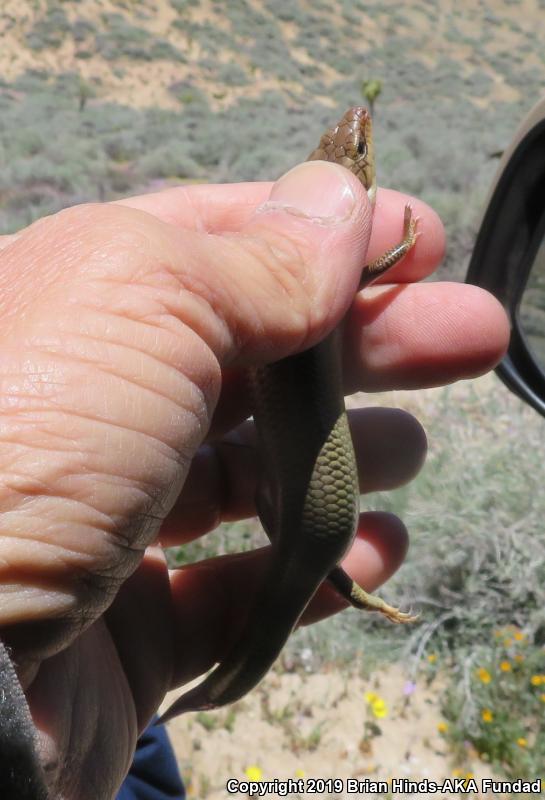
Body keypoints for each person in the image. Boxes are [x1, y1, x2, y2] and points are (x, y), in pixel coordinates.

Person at [0, 160, 510, 799]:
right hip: (305, 506)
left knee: (300, 574)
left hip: (299, 504)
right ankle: (223, 685)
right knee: (302, 570)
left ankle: (223, 686)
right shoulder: (319, 283)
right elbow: (353, 279)